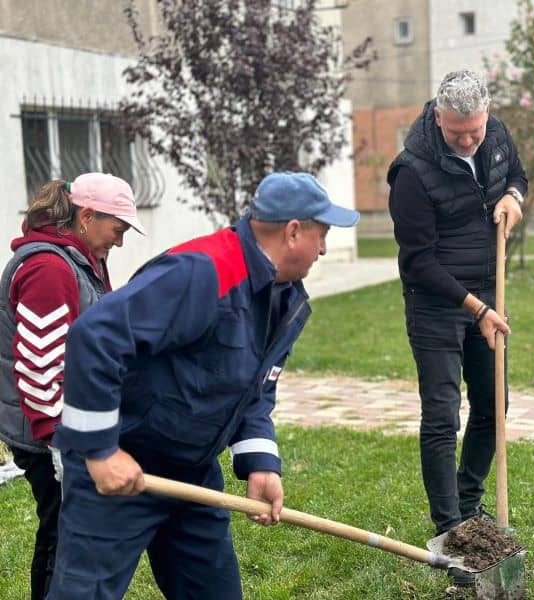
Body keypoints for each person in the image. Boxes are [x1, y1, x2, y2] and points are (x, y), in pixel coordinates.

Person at [48, 172, 359, 599]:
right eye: (321, 234)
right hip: (123, 469)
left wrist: (260, 462)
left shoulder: (285, 298)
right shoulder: (202, 271)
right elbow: (94, 336)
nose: (323, 248)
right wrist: (100, 451)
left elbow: (255, 388)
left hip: (191, 474)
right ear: (292, 232)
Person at [387, 70, 526, 586]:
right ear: (437, 116)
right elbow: (418, 262)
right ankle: (450, 527)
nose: (468, 140)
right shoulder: (412, 172)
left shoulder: (497, 136)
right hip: (437, 303)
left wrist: (513, 193)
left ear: (486, 113)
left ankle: (471, 505)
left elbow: (518, 174)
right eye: (457, 132)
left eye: (476, 130)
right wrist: (475, 308)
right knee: (443, 415)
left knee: (494, 406)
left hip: (488, 297)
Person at [0, 173, 144, 600]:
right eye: (117, 229)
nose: (119, 241)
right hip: (46, 432)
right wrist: (59, 440)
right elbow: (40, 366)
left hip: (70, 424)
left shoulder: (82, 258)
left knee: (70, 534)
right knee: (64, 536)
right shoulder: (48, 267)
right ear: (86, 216)